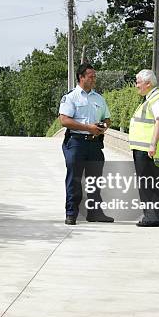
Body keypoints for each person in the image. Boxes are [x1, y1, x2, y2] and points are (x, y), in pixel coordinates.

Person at [58, 63, 114, 225]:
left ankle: (95, 213)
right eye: (91, 76)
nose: (94, 79)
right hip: (76, 143)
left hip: (95, 145)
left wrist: (103, 126)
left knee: (95, 181)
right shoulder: (71, 97)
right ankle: (71, 213)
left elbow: (107, 118)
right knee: (74, 179)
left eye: (94, 76)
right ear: (81, 77)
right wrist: (87, 127)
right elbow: (64, 120)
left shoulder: (99, 98)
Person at [128, 69, 159, 227]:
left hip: (148, 150)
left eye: (138, 82)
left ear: (148, 83)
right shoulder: (150, 98)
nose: (136, 85)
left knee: (147, 183)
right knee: (149, 182)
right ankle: (156, 216)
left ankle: (151, 217)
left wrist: (152, 144)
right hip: (144, 149)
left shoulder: (157, 99)